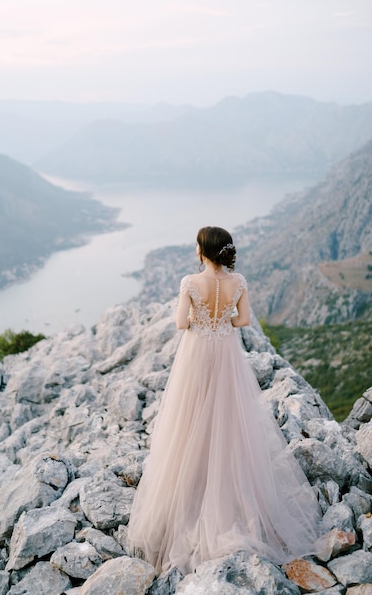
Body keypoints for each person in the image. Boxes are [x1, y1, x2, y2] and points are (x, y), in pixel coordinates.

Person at [128, 226, 322, 575]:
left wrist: (202, 319)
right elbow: (244, 320)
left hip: (196, 356)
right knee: (229, 420)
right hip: (227, 355)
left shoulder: (189, 282)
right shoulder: (239, 281)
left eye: (197, 245)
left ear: (203, 250)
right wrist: (220, 320)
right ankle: (227, 488)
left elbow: (179, 324)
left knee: (189, 420)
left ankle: (189, 487)